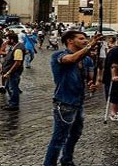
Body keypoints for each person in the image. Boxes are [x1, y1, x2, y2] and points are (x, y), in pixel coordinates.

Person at [43, 29, 101, 166]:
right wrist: (90, 46)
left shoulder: (86, 59)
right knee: (59, 138)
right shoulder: (59, 55)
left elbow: (90, 78)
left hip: (78, 102)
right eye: (81, 39)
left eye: (86, 39)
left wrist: (92, 84)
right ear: (70, 41)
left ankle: (66, 160)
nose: (85, 40)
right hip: (64, 102)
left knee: (75, 135)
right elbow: (72, 59)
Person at [1, 33, 24, 111]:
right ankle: (11, 102)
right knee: (8, 86)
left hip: (14, 72)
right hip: (10, 71)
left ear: (12, 40)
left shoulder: (18, 49)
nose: (6, 41)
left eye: (7, 39)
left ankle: (14, 104)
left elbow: (18, 62)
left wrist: (9, 72)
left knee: (13, 88)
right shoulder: (13, 47)